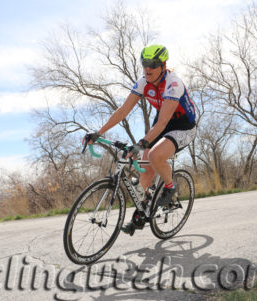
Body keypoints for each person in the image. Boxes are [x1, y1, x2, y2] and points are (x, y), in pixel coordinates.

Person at [83, 44, 196, 234]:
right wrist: (99, 133)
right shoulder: (143, 82)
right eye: (145, 64)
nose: (148, 68)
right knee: (145, 169)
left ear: (163, 65)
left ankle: (170, 187)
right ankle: (143, 212)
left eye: (153, 64)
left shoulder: (173, 84)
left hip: (183, 126)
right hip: (162, 123)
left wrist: (141, 143)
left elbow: (161, 124)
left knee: (155, 156)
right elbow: (123, 110)